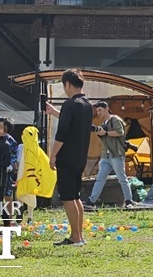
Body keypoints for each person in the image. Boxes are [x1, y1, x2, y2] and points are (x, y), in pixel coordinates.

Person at [45, 68, 93, 246]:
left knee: (67, 197)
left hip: (67, 157)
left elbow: (63, 132)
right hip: (80, 156)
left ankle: (75, 237)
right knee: (75, 196)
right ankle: (79, 236)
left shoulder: (69, 104)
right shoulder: (87, 104)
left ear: (68, 84)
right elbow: (74, 123)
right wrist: (54, 112)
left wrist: (53, 154)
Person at [84, 101, 136, 210]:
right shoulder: (104, 122)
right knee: (100, 178)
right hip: (105, 155)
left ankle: (128, 200)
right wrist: (99, 132)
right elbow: (104, 136)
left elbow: (120, 132)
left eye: (100, 110)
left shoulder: (115, 119)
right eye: (97, 111)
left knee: (122, 178)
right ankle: (91, 201)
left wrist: (106, 133)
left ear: (106, 109)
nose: (98, 113)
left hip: (116, 154)